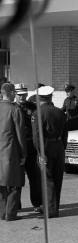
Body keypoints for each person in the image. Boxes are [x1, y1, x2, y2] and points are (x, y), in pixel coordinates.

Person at [31, 85, 67, 218]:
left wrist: (40, 153)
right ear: (51, 97)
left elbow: (37, 135)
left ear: (39, 98)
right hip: (59, 146)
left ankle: (51, 211)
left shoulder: (38, 113)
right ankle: (54, 208)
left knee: (47, 179)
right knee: (58, 178)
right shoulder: (60, 112)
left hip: (46, 147)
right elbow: (65, 133)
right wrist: (63, 146)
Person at [0, 83, 27, 221]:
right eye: (14, 92)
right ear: (10, 93)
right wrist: (23, 154)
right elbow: (20, 134)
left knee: (1, 185)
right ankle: (10, 214)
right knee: (15, 184)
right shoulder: (15, 110)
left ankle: (1, 212)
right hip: (11, 152)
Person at [14, 83, 42, 213]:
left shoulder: (33, 107)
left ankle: (37, 203)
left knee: (35, 178)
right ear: (15, 94)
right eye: (20, 95)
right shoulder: (12, 108)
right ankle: (16, 205)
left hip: (31, 148)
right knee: (17, 179)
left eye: (24, 95)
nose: (22, 97)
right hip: (17, 149)